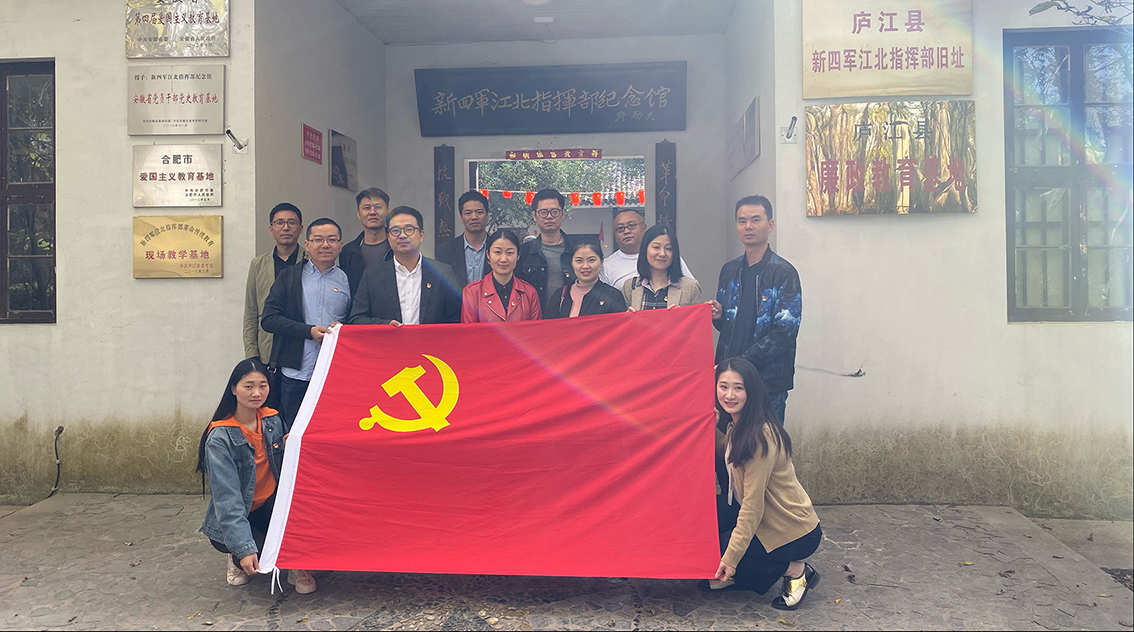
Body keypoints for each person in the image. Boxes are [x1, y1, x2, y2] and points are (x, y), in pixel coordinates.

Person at [704, 357, 820, 610]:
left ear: (751, 391)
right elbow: (730, 452)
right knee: (704, 526)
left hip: (792, 528)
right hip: (765, 516)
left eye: (738, 388)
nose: (729, 395)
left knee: (724, 550)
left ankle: (796, 571)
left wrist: (731, 559)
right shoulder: (740, 425)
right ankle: (740, 572)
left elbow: (752, 506)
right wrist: (710, 427)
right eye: (723, 386)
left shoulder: (760, 436)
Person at [196, 358, 317, 594]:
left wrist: (290, 449)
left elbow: (288, 474)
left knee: (308, 526)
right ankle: (236, 555)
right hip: (242, 511)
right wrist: (244, 548)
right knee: (257, 555)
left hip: (271, 507)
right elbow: (227, 500)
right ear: (233, 389)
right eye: (248, 386)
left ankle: (293, 562)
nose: (256, 393)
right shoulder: (220, 438)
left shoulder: (273, 419)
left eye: (263, 385)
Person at [709, 196, 801, 424]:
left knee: (765, 442)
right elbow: (730, 326)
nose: (748, 226)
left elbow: (785, 332)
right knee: (727, 441)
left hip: (767, 381)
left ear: (770, 225)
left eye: (755, 220)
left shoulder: (783, 273)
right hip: (730, 382)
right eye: (742, 221)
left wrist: (743, 365)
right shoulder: (729, 271)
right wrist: (719, 316)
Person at [261, 218, 351, 430]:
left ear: (340, 245)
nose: (325, 245)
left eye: (332, 240)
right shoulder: (289, 276)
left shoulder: (349, 280)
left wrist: (344, 327)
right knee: (292, 432)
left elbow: (357, 320)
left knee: (330, 432)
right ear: (307, 244)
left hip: (335, 375)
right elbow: (269, 319)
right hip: (297, 373)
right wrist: (307, 331)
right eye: (318, 240)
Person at [349, 206, 462, 326]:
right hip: (389, 338)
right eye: (395, 231)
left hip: (430, 339)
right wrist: (385, 325)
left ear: (421, 235)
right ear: (388, 236)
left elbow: (455, 320)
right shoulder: (372, 277)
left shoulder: (442, 272)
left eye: (409, 230)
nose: (402, 235)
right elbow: (356, 319)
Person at [243, 203, 307, 409]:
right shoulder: (258, 264)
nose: (285, 227)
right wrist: (252, 354)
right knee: (267, 409)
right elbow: (251, 311)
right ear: (271, 229)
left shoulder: (311, 261)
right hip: (267, 349)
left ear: (300, 228)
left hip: (301, 349)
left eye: (291, 223)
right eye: (279, 223)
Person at [600, 207, 693, 291]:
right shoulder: (606, 266)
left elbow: (689, 290)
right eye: (620, 228)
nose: (627, 231)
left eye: (631, 225)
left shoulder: (666, 258)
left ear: (644, 228)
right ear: (614, 234)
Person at [462, 229, 542, 323]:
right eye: (497, 252)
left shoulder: (529, 293)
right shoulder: (472, 293)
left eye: (510, 252)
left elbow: (536, 330)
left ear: (518, 256)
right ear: (488, 255)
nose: (503, 259)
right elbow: (469, 331)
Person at [517, 188, 574, 309]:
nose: (549, 216)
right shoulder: (524, 253)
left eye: (554, 211)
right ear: (535, 216)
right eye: (543, 212)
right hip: (535, 317)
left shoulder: (576, 250)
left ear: (562, 214)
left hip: (569, 317)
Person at [623, 225, 701, 311]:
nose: (662, 253)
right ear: (645, 249)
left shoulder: (690, 287)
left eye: (668, 248)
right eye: (656, 247)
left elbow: (699, 318)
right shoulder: (630, 286)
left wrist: (683, 316)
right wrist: (627, 317)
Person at [546, 239, 627, 318]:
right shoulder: (560, 295)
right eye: (579, 261)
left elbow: (620, 324)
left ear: (601, 262)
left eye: (591, 260)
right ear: (572, 263)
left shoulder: (613, 296)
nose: (585, 266)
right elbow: (549, 325)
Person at [340, 187, 391, 295]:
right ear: (359, 214)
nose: (372, 212)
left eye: (378, 207)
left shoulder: (398, 248)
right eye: (367, 208)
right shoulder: (348, 252)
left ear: (388, 212)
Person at [435, 190, 490, 286]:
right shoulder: (445, 250)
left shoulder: (498, 248)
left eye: (479, 212)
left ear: (487, 215)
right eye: (468, 213)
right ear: (461, 217)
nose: (474, 217)